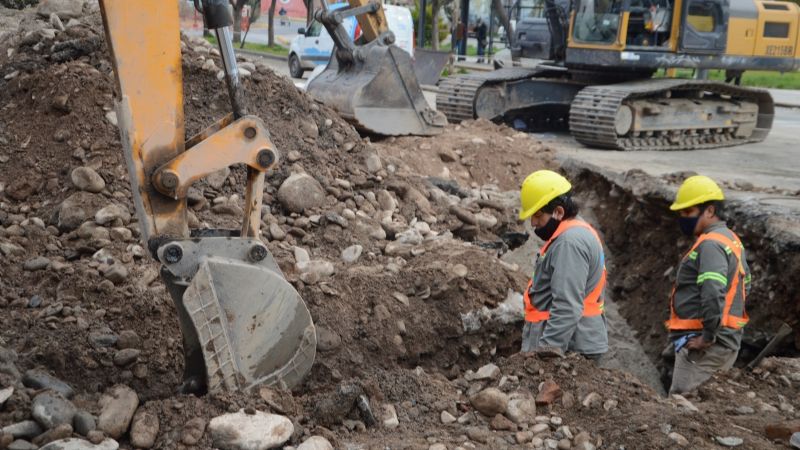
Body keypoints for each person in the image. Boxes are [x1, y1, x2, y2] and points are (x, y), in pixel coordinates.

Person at [666, 175, 751, 394]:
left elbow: (713, 291)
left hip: (707, 347)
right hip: (723, 341)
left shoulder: (712, 245)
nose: (683, 219)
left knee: (682, 402)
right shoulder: (730, 239)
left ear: (710, 211)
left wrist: (708, 336)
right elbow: (745, 285)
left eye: (688, 213)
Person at [518, 170, 609, 359]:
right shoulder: (572, 232)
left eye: (538, 215)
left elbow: (567, 305)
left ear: (558, 212)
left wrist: (546, 352)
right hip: (575, 341)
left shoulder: (569, 243)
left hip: (571, 347)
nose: (533, 223)